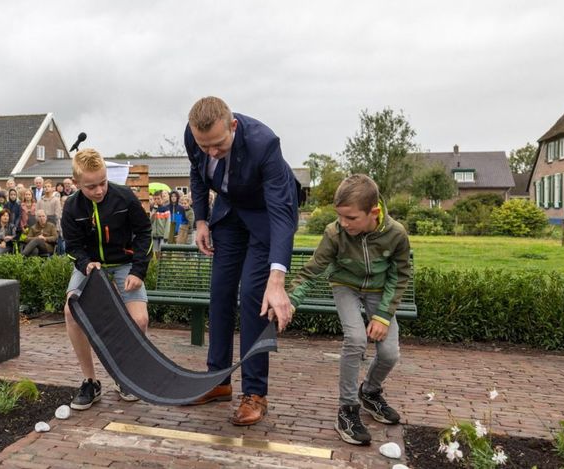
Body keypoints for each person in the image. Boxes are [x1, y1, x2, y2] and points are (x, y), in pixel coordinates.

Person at [184, 96, 299, 426]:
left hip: (266, 214)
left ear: (233, 126)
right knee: (220, 292)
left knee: (253, 295)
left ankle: (255, 394)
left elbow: (281, 213)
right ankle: (218, 381)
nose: (212, 153)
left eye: (218, 145)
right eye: (205, 146)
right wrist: (202, 220)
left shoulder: (265, 144)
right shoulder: (196, 137)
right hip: (230, 213)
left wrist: (276, 281)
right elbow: (197, 172)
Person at [286, 174, 410, 445]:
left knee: (389, 354)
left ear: (373, 212)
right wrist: (291, 301)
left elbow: (400, 275)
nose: (343, 223)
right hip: (345, 286)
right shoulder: (335, 233)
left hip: (380, 293)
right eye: (340, 216)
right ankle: (347, 409)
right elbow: (313, 270)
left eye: (351, 218)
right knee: (355, 340)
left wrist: (383, 316)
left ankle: (370, 392)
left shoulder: (396, 234)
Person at [62, 148, 152, 409]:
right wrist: (85, 263)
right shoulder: (72, 207)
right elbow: (73, 247)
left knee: (140, 319)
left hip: (124, 264)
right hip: (90, 267)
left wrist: (138, 271)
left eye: (102, 182)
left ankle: (125, 376)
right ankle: (90, 381)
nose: (99, 190)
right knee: (71, 311)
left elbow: (144, 233)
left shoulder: (124, 197)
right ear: (77, 183)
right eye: (91, 187)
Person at [149, 191, 170, 255]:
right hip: (154, 235)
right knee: (155, 252)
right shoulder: (153, 209)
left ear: (162, 199)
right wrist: (154, 210)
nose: (156, 200)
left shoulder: (166, 209)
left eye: (158, 198)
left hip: (162, 235)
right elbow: (150, 221)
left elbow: (168, 224)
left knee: (162, 252)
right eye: (155, 199)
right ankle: (156, 264)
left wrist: (166, 236)